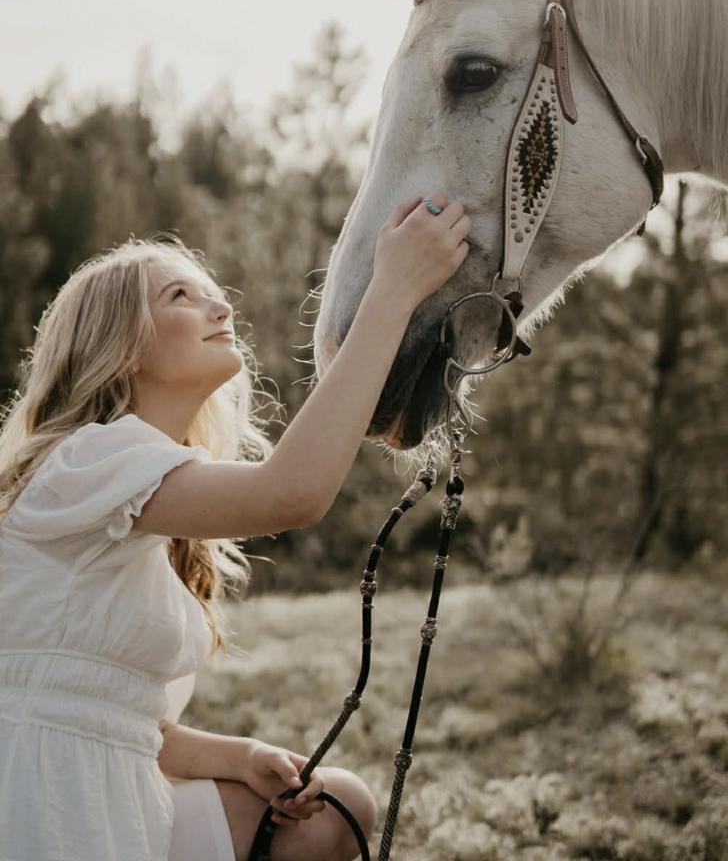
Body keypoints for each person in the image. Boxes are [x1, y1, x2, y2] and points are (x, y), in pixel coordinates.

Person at [0, 191, 470, 861]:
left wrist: (239, 756)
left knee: (335, 809)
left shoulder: (140, 494)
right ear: (120, 345)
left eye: (213, 294)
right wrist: (391, 293)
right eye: (181, 298)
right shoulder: (83, 459)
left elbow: (112, 712)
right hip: (42, 800)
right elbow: (292, 494)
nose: (222, 307)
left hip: (119, 785)